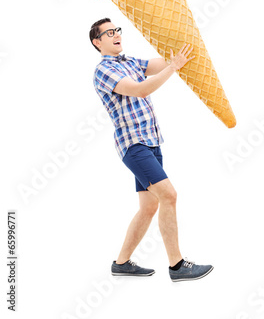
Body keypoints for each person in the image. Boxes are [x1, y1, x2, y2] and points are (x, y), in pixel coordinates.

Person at [89, 17, 214, 282]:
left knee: (149, 207)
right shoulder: (104, 71)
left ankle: (121, 263)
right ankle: (177, 266)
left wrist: (184, 48)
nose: (115, 34)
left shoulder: (131, 62)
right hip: (134, 145)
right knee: (169, 195)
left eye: (116, 30)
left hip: (152, 142)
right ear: (97, 42)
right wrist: (173, 67)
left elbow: (167, 62)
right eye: (108, 32)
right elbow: (140, 89)